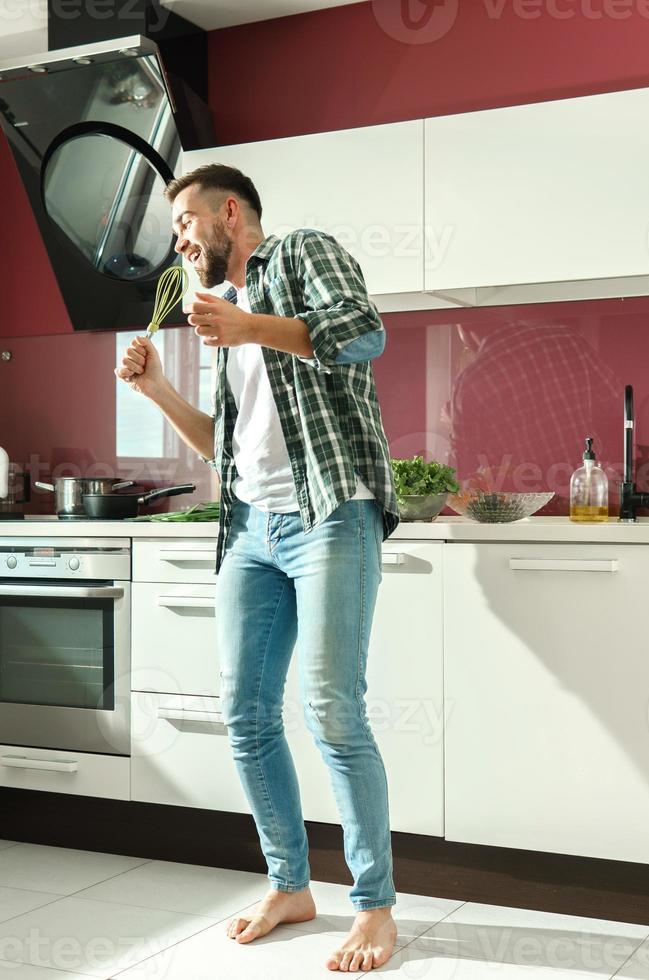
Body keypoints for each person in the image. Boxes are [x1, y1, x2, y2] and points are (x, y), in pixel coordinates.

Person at [115, 164, 401, 973]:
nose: (178, 240)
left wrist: (251, 327)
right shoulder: (223, 320)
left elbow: (364, 331)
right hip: (249, 528)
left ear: (227, 213)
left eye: (183, 222)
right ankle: (292, 886)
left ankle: (374, 908)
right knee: (245, 716)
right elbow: (229, 451)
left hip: (330, 515)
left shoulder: (298, 254)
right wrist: (160, 389)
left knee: (333, 713)